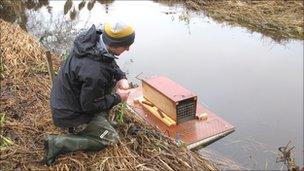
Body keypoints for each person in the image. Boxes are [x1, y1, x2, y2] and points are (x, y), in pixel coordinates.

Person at [43, 21, 135, 165]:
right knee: (110, 138)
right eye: (126, 46)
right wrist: (118, 97)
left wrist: (121, 76)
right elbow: (90, 106)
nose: (128, 49)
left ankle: (99, 122)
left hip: (67, 99)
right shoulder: (95, 71)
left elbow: (107, 59)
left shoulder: (94, 41)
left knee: (104, 92)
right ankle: (58, 143)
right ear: (114, 45)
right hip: (70, 114)